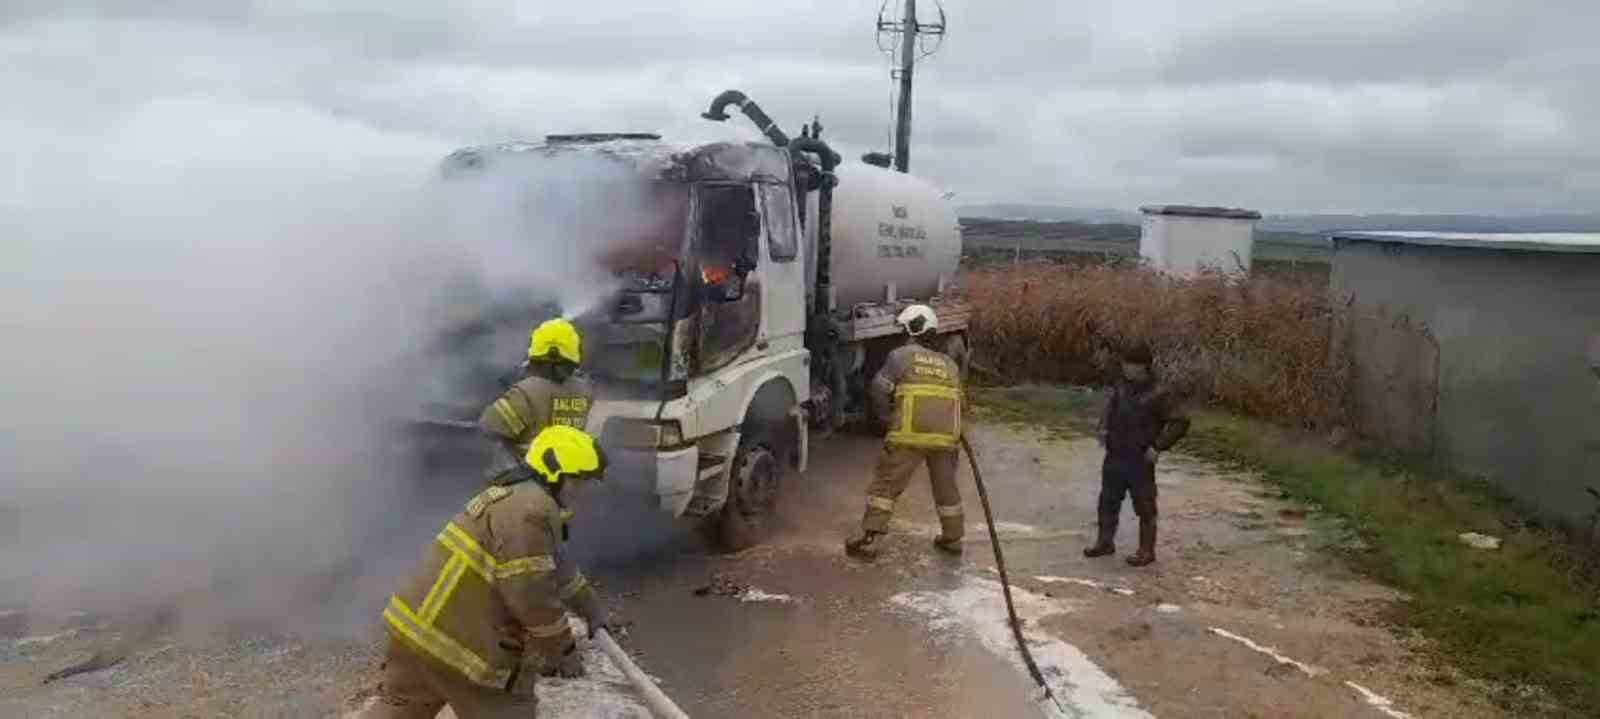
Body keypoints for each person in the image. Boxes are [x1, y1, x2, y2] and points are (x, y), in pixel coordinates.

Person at [372, 425, 612, 719]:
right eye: (581, 481)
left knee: (397, 710)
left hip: (415, 631)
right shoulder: (533, 510)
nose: (582, 493)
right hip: (460, 649)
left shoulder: (514, 498)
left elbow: (556, 567)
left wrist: (591, 607)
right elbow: (530, 592)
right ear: (556, 473)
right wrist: (561, 650)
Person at [846, 304, 966, 561]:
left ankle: (871, 541)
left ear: (912, 328)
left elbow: (879, 390)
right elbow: (958, 401)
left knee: (886, 486)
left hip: (909, 435)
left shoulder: (900, 356)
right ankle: (953, 539)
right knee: (947, 489)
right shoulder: (949, 364)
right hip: (947, 437)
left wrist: (886, 418)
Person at [1083, 344, 1190, 567]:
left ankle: (1146, 551)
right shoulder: (1122, 386)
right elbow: (1110, 408)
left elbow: (1180, 422)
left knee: (1144, 506)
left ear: (1144, 367)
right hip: (1115, 454)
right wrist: (1103, 429)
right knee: (1107, 501)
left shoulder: (1160, 393)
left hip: (1140, 458)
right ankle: (1104, 542)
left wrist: (1158, 446)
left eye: (1130, 365)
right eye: (1124, 364)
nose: (1126, 369)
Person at [479, 318, 594, 485]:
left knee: (499, 449)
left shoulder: (526, 393)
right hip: (566, 480)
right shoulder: (585, 390)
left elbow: (488, 426)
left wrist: (515, 387)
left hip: (525, 479)